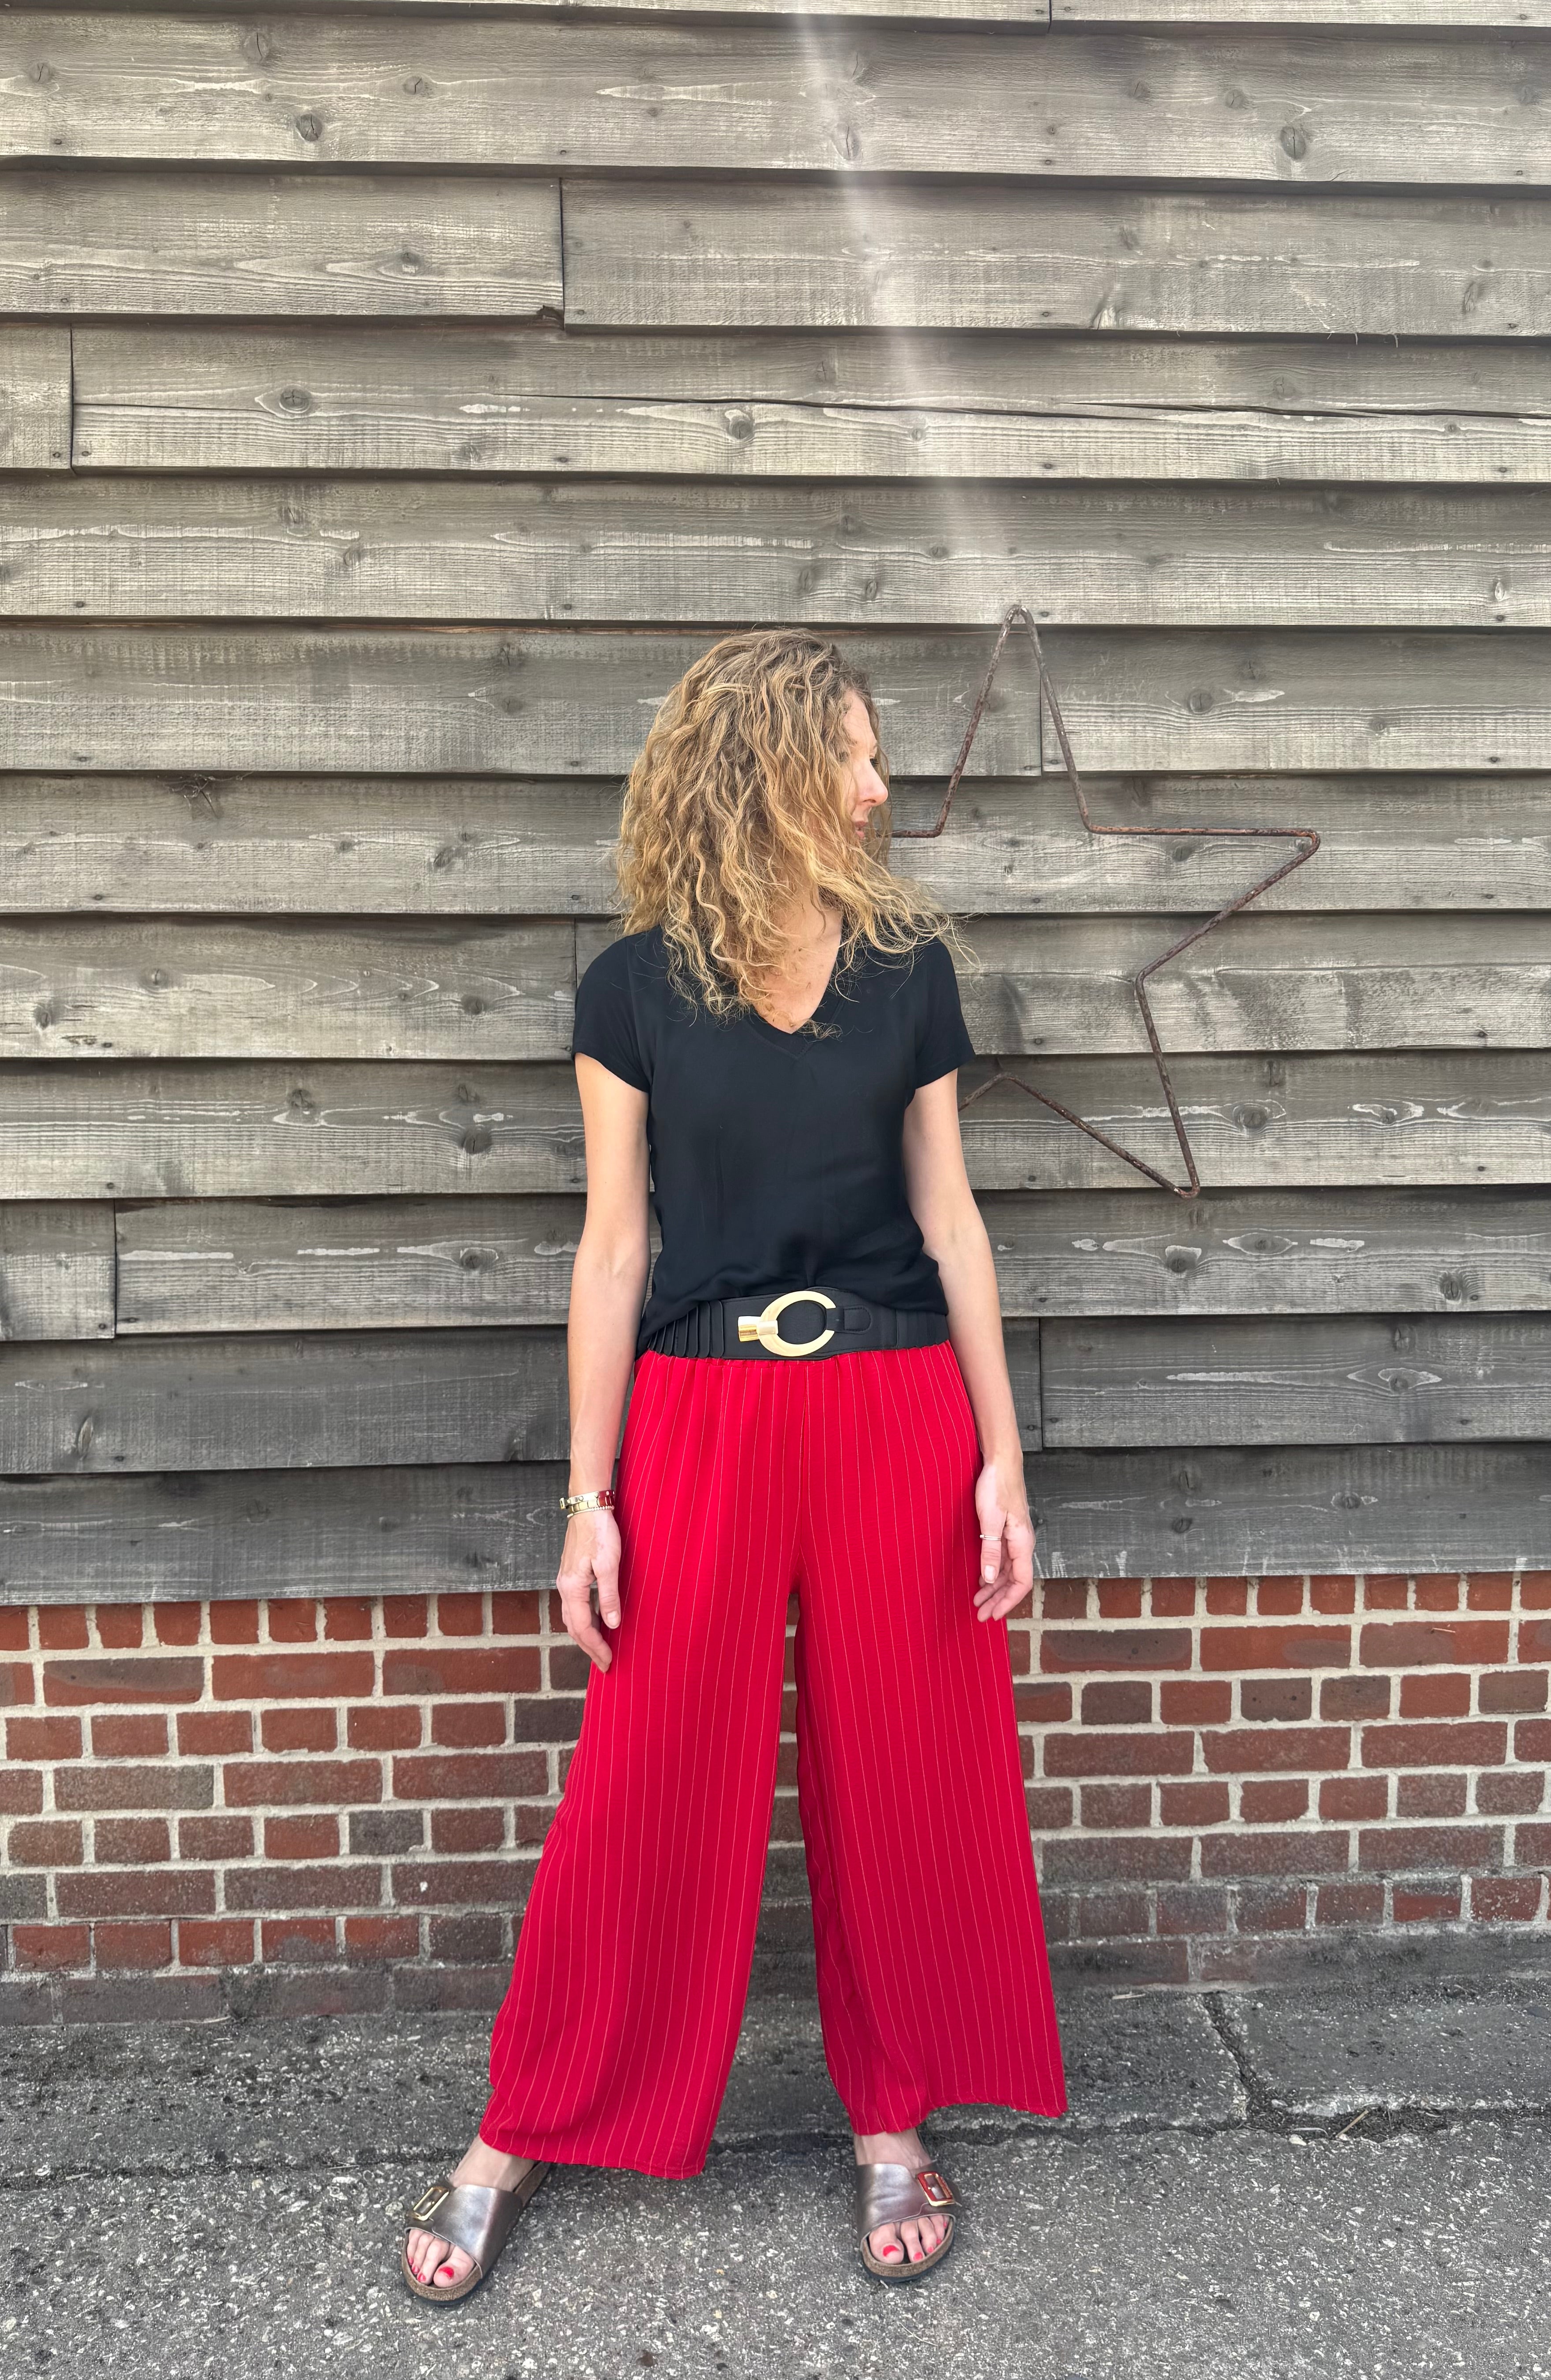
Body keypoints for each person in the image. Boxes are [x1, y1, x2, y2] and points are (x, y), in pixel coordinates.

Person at [401, 628, 1066, 2300]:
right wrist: (587, 1499)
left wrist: (1001, 1458)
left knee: (903, 1768)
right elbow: (612, 1249)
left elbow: (951, 1220)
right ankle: (523, 2121)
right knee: (646, 1774)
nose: (878, 786)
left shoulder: (906, 972)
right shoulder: (632, 989)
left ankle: (892, 2116)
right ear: (768, 767)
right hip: (699, 1410)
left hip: (896, 1406)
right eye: (853, 753)